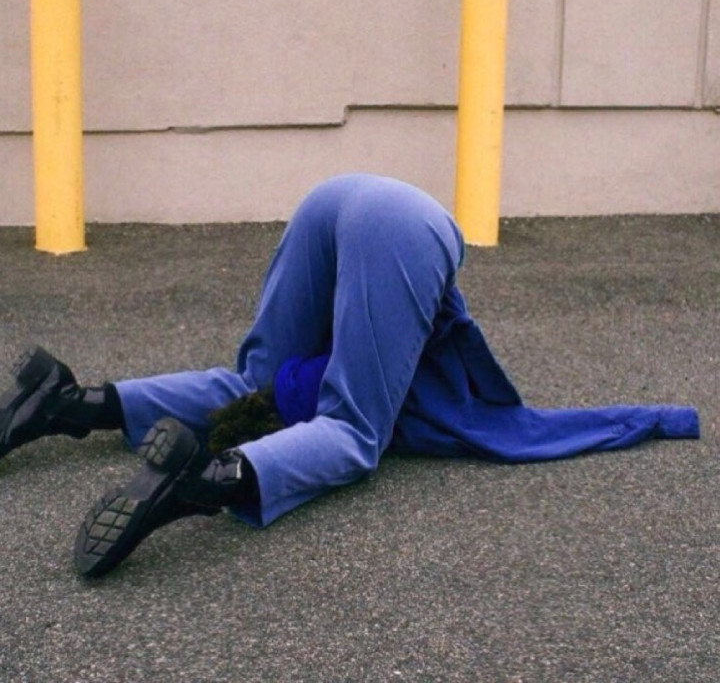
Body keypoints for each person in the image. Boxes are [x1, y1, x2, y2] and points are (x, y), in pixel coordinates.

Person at [0, 173, 700, 578]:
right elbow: (483, 409)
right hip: (408, 224)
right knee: (355, 429)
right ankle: (211, 475)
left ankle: (72, 400)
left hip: (332, 194)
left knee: (255, 384)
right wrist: (662, 418)